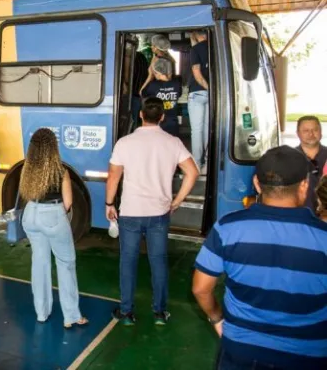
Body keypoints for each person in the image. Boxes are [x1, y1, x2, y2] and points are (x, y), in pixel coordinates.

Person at [193, 146, 327, 370]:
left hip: (241, 351)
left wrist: (216, 318)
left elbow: (200, 289)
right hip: (308, 355)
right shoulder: (322, 237)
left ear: (256, 183)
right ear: (305, 185)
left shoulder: (228, 227)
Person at [106, 97, 198, 325]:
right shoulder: (173, 142)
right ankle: (159, 313)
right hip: (159, 213)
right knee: (158, 262)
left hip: (130, 212)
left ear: (141, 115)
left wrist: (109, 204)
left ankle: (126, 313)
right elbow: (192, 172)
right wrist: (176, 201)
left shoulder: (125, 143)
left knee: (128, 262)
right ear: (162, 117)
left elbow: (114, 177)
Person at [19, 128, 89, 329]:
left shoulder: (27, 168)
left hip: (30, 215)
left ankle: (41, 313)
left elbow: (25, 194)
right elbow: (68, 203)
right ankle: (71, 316)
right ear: (53, 147)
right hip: (52, 215)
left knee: (39, 263)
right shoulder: (60, 171)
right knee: (66, 263)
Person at [140, 58, 182, 137]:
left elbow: (141, 93)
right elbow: (179, 94)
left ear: (158, 72)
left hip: (157, 123)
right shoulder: (177, 84)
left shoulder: (153, 85)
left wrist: (150, 76)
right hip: (173, 123)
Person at [188, 30, 210, 174]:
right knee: (208, 129)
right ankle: (207, 163)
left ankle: (197, 163)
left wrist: (206, 87)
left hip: (197, 92)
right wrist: (212, 90)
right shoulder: (214, 48)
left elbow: (197, 73)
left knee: (197, 131)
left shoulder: (195, 49)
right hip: (212, 95)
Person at [294, 115, 326, 212]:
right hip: (300, 214)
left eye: (315, 130)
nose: (311, 134)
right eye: (306, 131)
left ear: (321, 132)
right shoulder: (289, 157)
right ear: (298, 133)